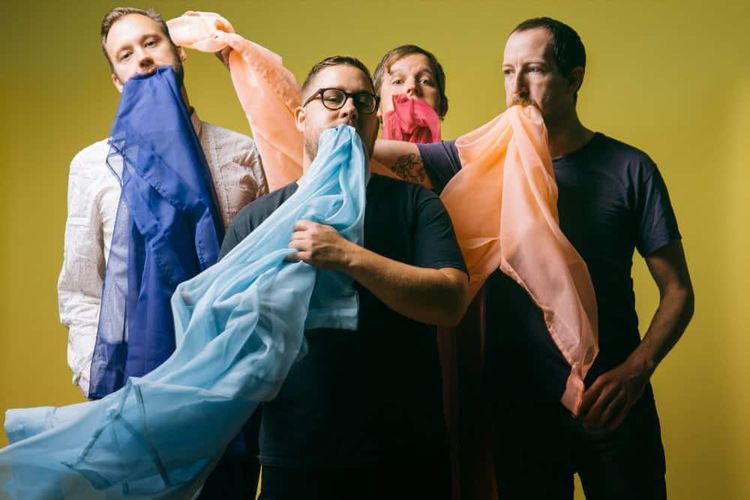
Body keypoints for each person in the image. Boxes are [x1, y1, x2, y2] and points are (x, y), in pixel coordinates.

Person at [374, 16, 694, 500]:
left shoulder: (630, 168)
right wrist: (321, 101)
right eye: (508, 71)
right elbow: (365, 151)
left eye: (535, 70)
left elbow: (679, 292)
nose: (517, 87)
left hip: (612, 402)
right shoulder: (478, 159)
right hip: (519, 410)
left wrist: (636, 371)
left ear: (574, 78)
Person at [220, 55, 469, 500]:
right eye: (332, 97)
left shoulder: (417, 205)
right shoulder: (256, 221)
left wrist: (349, 256)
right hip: (295, 460)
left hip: (408, 459)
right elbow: (225, 340)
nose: (350, 109)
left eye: (363, 101)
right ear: (301, 117)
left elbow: (451, 301)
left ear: (376, 121)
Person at [56, 6, 266, 498]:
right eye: (126, 54)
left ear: (178, 53)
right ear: (117, 80)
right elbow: (82, 288)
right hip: (132, 395)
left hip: (228, 385)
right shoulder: (93, 166)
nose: (143, 59)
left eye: (152, 43)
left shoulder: (241, 152)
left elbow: (267, 271)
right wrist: (99, 380)